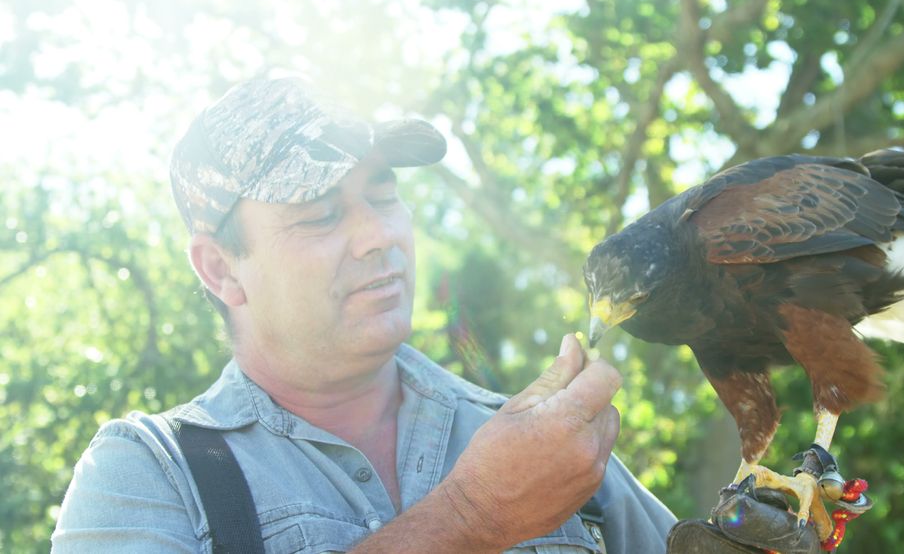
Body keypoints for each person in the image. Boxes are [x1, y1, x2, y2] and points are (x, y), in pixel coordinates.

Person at [51, 72, 678, 553]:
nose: (378, 235)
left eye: (383, 194)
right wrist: (471, 517)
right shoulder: (148, 472)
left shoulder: (551, 442)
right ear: (221, 267)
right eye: (321, 214)